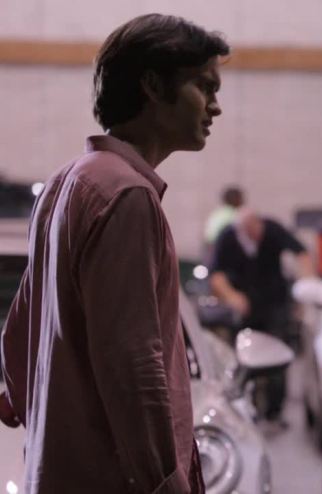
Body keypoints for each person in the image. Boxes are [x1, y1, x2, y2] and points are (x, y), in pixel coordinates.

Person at [0, 14, 229, 493]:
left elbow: (18, 333)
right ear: (152, 85)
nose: (215, 106)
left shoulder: (67, 182)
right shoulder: (127, 196)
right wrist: (165, 483)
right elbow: (133, 364)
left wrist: (31, 408)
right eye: (204, 86)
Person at [209, 208, 314, 424]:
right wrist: (233, 297)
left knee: (277, 354)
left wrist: (306, 284)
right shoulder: (228, 238)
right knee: (245, 356)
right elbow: (216, 276)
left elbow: (302, 253)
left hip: (275, 304)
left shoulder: (272, 230)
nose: (257, 235)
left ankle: (275, 412)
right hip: (246, 307)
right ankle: (250, 406)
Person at [203, 186, 244, 257]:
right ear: (236, 199)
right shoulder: (235, 214)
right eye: (240, 198)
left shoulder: (217, 212)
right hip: (220, 247)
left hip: (208, 246)